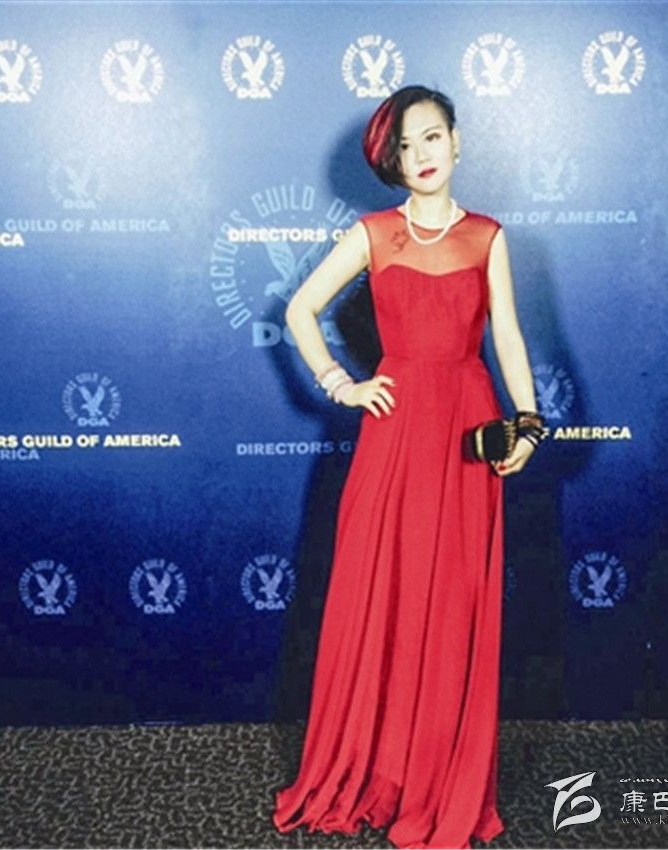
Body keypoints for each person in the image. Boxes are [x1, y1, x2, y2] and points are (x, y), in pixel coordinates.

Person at [271, 84, 545, 849]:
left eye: (431, 136)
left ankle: (438, 779)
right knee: (380, 597)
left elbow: (508, 337)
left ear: (457, 141)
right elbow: (299, 310)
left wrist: (528, 421)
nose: (420, 154)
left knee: (453, 603)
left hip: (466, 429)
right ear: (390, 160)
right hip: (393, 435)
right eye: (405, 144)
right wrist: (341, 384)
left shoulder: (487, 236)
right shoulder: (374, 234)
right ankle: (375, 771)